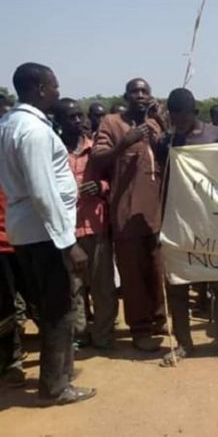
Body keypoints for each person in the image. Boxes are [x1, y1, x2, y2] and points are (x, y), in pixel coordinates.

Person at [0, 62, 96, 404]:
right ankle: (55, 386)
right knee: (58, 311)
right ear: (40, 88)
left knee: (48, 306)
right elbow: (43, 191)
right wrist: (68, 242)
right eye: (54, 86)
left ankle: (56, 376)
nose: (58, 91)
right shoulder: (34, 131)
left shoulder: (10, 123)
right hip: (44, 234)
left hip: (25, 229)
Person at [156, 88, 218, 366]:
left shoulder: (216, 134)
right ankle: (184, 343)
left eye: (182, 115)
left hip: (213, 220)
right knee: (179, 284)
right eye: (172, 116)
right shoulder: (166, 141)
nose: (177, 121)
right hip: (179, 219)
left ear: (194, 112)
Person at [93, 78, 165, 352]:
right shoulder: (111, 123)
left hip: (155, 213)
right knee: (133, 277)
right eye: (134, 91)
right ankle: (140, 329)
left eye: (145, 91)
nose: (140, 95)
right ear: (126, 96)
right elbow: (99, 159)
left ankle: (159, 320)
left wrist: (160, 122)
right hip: (126, 213)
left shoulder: (155, 123)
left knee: (158, 271)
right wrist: (123, 143)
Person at [54, 99, 117, 349]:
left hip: (96, 225)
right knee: (74, 289)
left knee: (103, 287)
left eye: (80, 116)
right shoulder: (53, 151)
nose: (78, 122)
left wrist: (101, 187)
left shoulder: (97, 151)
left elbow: (115, 180)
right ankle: (79, 334)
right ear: (58, 121)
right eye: (71, 117)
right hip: (65, 230)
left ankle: (103, 335)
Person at [0, 187, 24, 387]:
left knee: (40, 302)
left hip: (24, 239)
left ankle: (59, 358)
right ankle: (11, 363)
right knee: (4, 309)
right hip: (4, 245)